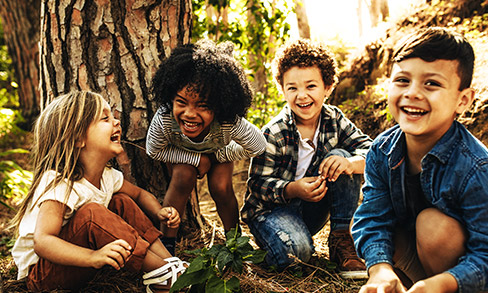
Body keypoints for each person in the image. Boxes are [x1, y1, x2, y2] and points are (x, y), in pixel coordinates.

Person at [352, 27, 488, 292]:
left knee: (432, 225)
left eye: (431, 83)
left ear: (463, 100)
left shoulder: (476, 167)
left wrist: (441, 285)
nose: (412, 93)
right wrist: (380, 270)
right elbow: (372, 218)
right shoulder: (382, 150)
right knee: (384, 230)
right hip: (427, 267)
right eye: (402, 80)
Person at [10, 91, 188, 293]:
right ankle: (161, 275)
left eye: (113, 116)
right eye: (105, 118)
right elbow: (43, 242)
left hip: (78, 264)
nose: (116, 122)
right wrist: (92, 258)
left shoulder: (107, 176)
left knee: (122, 202)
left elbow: (138, 195)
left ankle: (169, 263)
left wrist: (158, 212)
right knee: (91, 214)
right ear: (78, 138)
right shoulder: (60, 182)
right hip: (43, 274)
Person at [241, 39, 373, 279]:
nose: (302, 96)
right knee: (297, 254)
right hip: (271, 212)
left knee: (341, 157)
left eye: (311, 86)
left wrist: (351, 164)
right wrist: (292, 189)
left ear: (328, 87)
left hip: (312, 208)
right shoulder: (274, 132)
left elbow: (371, 150)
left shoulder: (334, 119)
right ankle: (282, 243)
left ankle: (341, 238)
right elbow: (257, 185)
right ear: (282, 90)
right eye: (292, 88)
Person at [146, 39, 266, 255]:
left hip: (218, 152)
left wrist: (221, 154)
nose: (190, 113)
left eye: (202, 106)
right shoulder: (164, 118)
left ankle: (235, 243)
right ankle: (166, 249)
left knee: (221, 187)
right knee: (182, 176)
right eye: (181, 102)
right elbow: (153, 150)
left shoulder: (228, 122)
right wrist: (196, 160)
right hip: (183, 155)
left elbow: (257, 145)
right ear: (170, 98)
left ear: (219, 107)